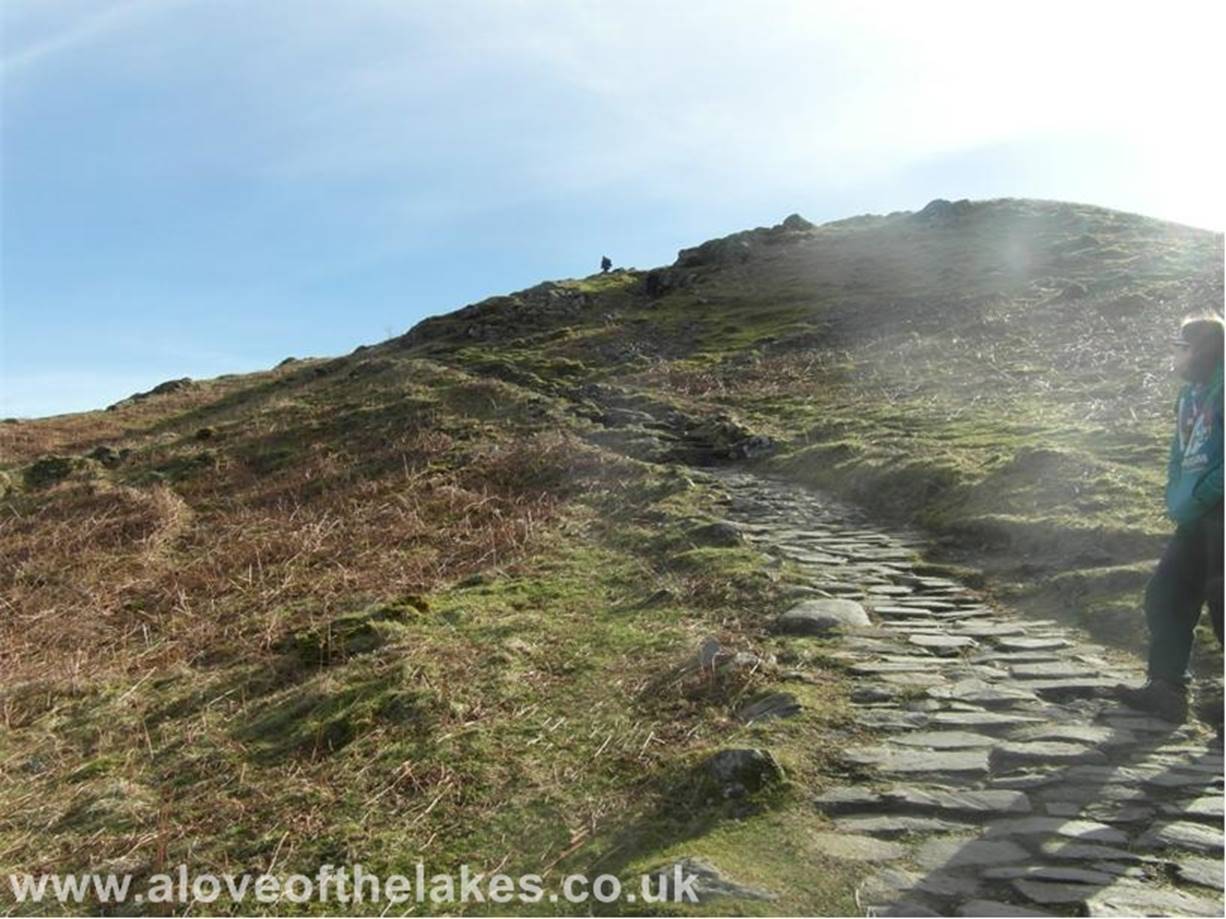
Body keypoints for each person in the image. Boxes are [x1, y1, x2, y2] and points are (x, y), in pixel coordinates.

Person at [1116, 315, 1223, 725]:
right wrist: (1176, 493)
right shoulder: (1190, 396)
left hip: (1221, 512)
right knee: (1166, 593)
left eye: (1180, 346)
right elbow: (1180, 454)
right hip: (1195, 516)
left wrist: (1201, 494)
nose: (1174, 355)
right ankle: (1167, 689)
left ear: (1203, 349)